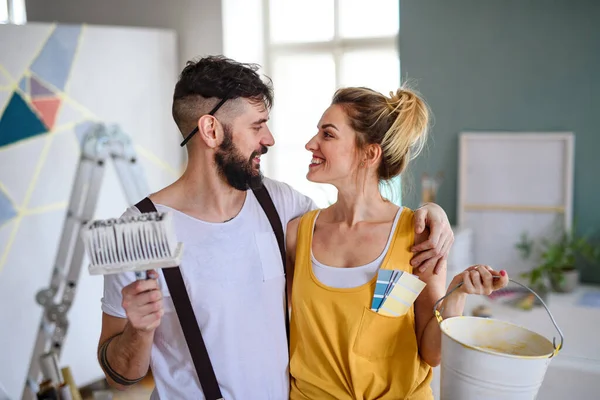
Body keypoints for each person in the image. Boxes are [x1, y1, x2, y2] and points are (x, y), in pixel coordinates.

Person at [97, 56, 455, 399]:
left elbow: (357, 223)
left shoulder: (280, 205)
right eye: (257, 127)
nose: (269, 139)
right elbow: (120, 378)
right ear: (210, 130)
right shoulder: (135, 228)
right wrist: (138, 333)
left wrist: (431, 213)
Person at [286, 86, 509, 399]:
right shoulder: (298, 234)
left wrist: (457, 292)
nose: (312, 144)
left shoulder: (415, 234)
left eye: (328, 134)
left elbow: (432, 352)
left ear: (370, 153)